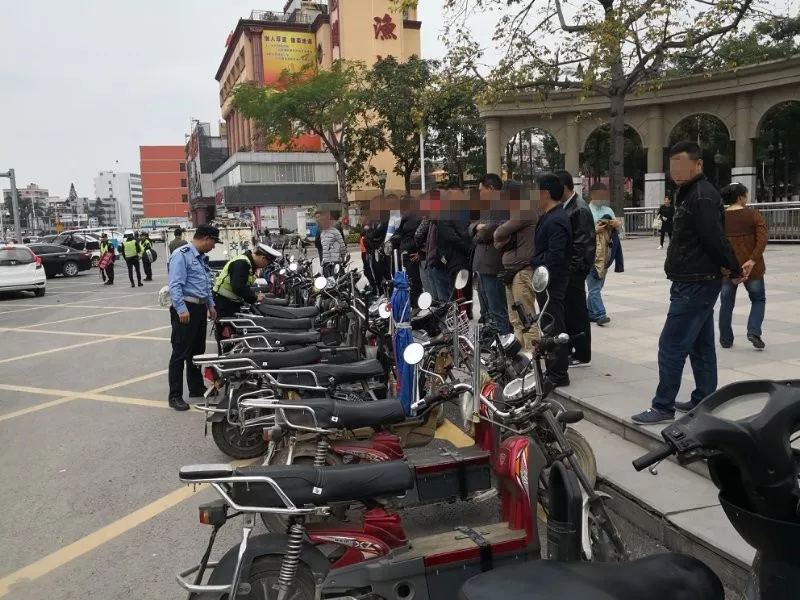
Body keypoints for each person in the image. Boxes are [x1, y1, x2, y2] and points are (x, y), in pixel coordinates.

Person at [632, 141, 741, 424]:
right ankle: (704, 399)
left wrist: (733, 267)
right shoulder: (691, 193)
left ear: (698, 164)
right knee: (700, 345)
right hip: (693, 279)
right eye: (672, 166)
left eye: (681, 165)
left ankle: (663, 406)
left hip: (696, 282)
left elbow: (714, 237)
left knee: (671, 344)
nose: (676, 171)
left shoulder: (701, 195)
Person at [166, 225, 221, 411]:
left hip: (199, 308)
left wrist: (210, 305)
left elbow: (205, 284)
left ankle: (196, 387)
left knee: (197, 352)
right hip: (185, 308)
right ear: (206, 238)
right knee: (180, 353)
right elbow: (175, 284)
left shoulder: (200, 257)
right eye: (213, 242)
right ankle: (175, 396)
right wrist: (181, 309)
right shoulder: (181, 255)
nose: (214, 246)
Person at [531, 173, 572, 387]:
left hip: (552, 280)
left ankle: (558, 372)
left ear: (545, 193)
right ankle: (553, 368)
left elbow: (555, 255)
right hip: (546, 279)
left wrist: (535, 260)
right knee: (548, 323)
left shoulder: (557, 219)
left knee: (554, 324)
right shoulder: (549, 215)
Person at [718, 182, 768, 350]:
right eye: (746, 195)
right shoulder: (753, 214)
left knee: (726, 303)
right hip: (752, 268)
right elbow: (762, 239)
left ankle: (725, 339)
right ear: (740, 197)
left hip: (727, 269)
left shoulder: (720, 217)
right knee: (758, 299)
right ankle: (753, 331)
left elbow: (716, 243)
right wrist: (752, 260)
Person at [557, 170, 596, 367]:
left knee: (577, 312)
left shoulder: (579, 209)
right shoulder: (566, 206)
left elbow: (582, 245)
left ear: (564, 187)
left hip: (575, 270)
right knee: (568, 313)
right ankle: (571, 347)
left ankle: (582, 353)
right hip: (567, 269)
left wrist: (572, 269)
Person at [212, 243, 279, 349]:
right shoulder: (242, 263)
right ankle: (228, 356)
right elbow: (238, 287)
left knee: (232, 334)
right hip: (224, 304)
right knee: (227, 337)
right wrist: (254, 297)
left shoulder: (247, 262)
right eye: (267, 263)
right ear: (263, 258)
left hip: (229, 302)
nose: (265, 266)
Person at [494, 191, 537, 350]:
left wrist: (502, 233)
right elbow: (497, 242)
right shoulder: (513, 215)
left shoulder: (525, 211)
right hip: (511, 271)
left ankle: (532, 353)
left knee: (527, 318)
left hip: (523, 271)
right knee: (515, 319)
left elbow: (498, 232)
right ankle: (519, 352)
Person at [471, 173, 510, 334]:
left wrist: (478, 231)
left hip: (493, 263)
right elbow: (473, 226)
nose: (479, 193)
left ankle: (503, 337)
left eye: (482, 190)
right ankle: (496, 335)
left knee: (497, 307)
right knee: (489, 306)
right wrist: (477, 227)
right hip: (483, 263)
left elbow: (490, 230)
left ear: (491, 188)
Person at [586, 182, 619, 326]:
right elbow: (580, 234)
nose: (602, 198)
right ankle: (600, 313)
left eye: (604, 195)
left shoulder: (608, 210)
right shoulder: (586, 211)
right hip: (591, 254)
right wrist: (594, 230)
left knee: (598, 286)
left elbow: (618, 232)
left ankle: (589, 312)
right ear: (592, 194)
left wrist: (616, 225)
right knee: (594, 287)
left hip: (606, 253)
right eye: (599, 195)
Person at [392, 198, 423, 304]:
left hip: (412, 256)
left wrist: (420, 252)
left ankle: (417, 304)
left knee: (415, 282)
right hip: (404, 256)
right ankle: (412, 303)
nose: (401, 211)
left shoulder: (417, 219)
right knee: (407, 282)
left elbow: (421, 237)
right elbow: (398, 234)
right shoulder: (404, 221)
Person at [316, 209, 347, 276]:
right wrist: (323, 260)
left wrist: (341, 258)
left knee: (337, 280)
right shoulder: (322, 234)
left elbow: (343, 247)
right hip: (326, 264)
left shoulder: (335, 232)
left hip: (335, 262)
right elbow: (324, 249)